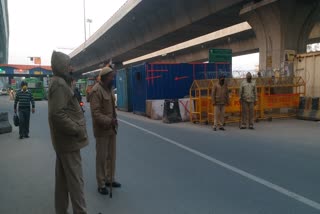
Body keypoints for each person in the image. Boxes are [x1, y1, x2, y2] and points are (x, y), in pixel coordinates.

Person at [48, 51, 89, 214]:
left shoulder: (60, 82)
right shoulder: (59, 84)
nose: (71, 67)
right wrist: (77, 129)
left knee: (63, 183)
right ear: (62, 66)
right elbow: (57, 114)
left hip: (64, 143)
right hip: (69, 142)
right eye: (69, 64)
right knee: (76, 183)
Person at [90, 66, 121, 195]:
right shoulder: (96, 91)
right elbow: (96, 114)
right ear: (105, 77)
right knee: (102, 158)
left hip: (111, 129)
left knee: (111, 157)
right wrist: (109, 121)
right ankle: (101, 183)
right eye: (111, 77)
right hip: (102, 130)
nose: (113, 79)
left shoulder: (109, 89)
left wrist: (114, 121)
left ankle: (109, 179)